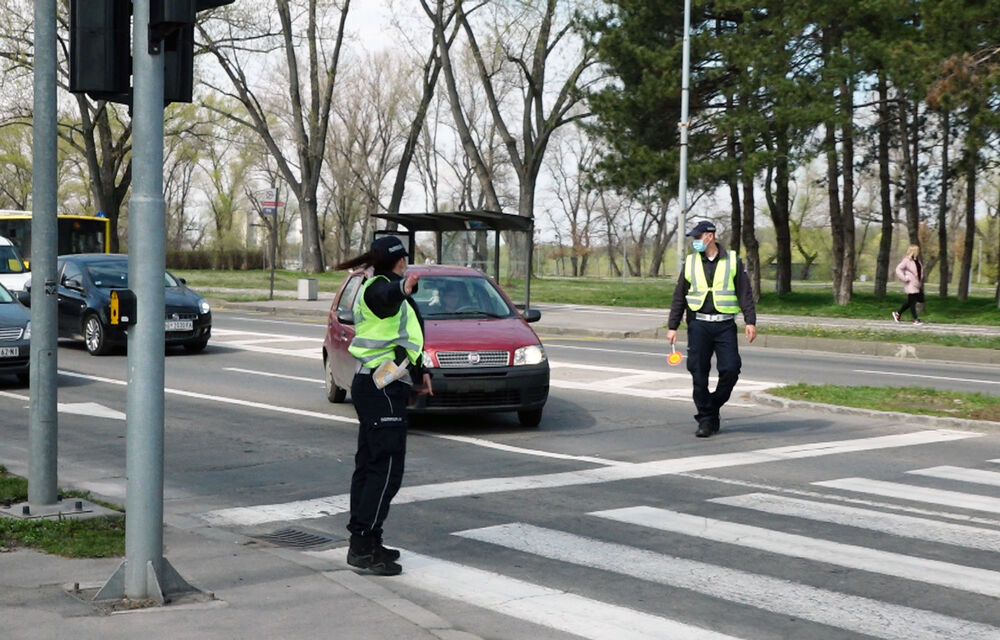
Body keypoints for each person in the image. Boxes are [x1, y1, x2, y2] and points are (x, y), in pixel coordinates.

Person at [334, 235, 433, 576]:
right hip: (379, 387)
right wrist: (403, 289)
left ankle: (369, 539)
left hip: (382, 384)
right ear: (399, 261)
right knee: (384, 471)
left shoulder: (377, 283)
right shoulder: (379, 287)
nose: (407, 262)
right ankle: (362, 547)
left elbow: (405, 338)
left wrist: (420, 374)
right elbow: (386, 298)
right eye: (404, 258)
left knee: (372, 466)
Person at [666, 220, 757, 438]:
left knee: (731, 369)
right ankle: (706, 421)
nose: (695, 242)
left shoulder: (732, 260)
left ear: (710, 236)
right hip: (698, 324)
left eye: (698, 237)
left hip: (725, 324)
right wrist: (673, 326)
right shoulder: (690, 262)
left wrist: (750, 320)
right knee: (698, 372)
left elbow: (744, 292)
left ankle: (711, 406)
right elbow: (680, 295)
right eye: (694, 238)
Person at [893, 244, 924, 326]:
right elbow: (898, 269)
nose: (918, 252)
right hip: (910, 283)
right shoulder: (907, 260)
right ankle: (915, 319)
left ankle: (897, 314)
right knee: (912, 302)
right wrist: (904, 278)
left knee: (910, 302)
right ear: (913, 251)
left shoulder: (917, 260)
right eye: (917, 250)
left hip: (916, 284)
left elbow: (919, 272)